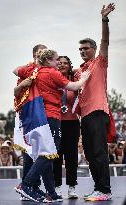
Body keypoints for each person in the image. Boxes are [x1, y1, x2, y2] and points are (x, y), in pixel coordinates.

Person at [15, 48, 90, 202]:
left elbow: (15, 70)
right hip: (51, 116)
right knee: (49, 152)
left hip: (38, 117)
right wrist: (84, 77)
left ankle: (49, 192)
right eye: (56, 60)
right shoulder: (52, 72)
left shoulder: (34, 70)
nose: (58, 63)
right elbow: (74, 87)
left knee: (47, 153)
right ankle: (26, 184)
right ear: (49, 60)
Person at [74, 3, 115, 202]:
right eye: (80, 49)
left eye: (85, 48)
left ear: (94, 49)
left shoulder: (100, 62)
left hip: (98, 112)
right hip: (85, 116)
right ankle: (98, 188)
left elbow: (105, 39)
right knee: (90, 153)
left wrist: (104, 19)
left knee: (99, 152)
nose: (82, 51)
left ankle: (105, 190)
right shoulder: (78, 71)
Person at [13, 44, 47, 201]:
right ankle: (25, 187)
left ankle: (33, 186)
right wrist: (22, 84)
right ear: (34, 55)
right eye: (41, 52)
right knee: (29, 152)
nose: (44, 55)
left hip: (41, 115)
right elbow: (16, 90)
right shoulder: (28, 69)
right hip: (27, 115)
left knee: (39, 152)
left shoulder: (45, 71)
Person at [53, 56, 80, 198]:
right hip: (56, 122)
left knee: (71, 156)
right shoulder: (52, 80)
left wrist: (70, 71)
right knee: (56, 155)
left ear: (70, 65)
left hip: (72, 122)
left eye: (66, 63)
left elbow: (82, 69)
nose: (62, 65)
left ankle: (71, 187)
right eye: (60, 63)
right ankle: (56, 187)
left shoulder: (74, 80)